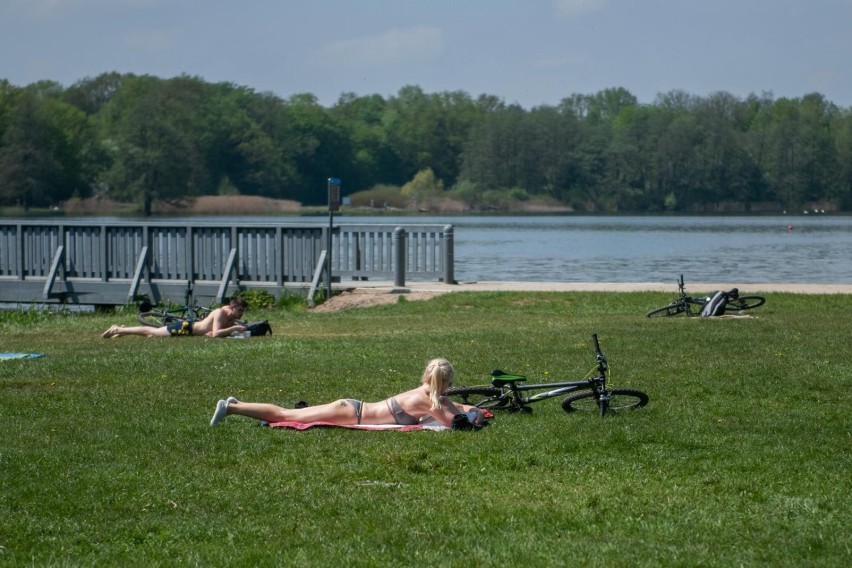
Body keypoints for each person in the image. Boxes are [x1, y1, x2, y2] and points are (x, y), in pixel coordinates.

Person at [209, 358, 486, 428]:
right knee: (284, 414)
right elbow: (456, 424)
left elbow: (454, 406)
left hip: (351, 408)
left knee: (286, 413)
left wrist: (469, 409)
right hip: (350, 413)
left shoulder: (429, 395)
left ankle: (238, 404)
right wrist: (475, 416)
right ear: (445, 382)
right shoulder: (429, 401)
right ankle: (232, 407)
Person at [102, 297, 248, 339]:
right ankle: (117, 329)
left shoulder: (231, 317)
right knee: (151, 332)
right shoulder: (220, 313)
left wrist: (216, 332)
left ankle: (123, 331)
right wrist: (234, 328)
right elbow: (217, 333)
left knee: (153, 334)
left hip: (191, 331)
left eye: (242, 311)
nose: (241, 313)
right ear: (231, 307)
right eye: (239, 310)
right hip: (186, 328)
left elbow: (217, 332)